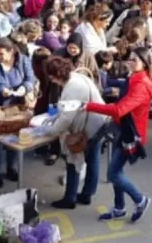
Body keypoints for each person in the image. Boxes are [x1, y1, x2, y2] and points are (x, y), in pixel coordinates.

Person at [84, 47, 152, 223]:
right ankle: (119, 208)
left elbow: (119, 109)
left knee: (113, 174)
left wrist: (88, 106)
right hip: (126, 129)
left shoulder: (141, 85)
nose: (131, 62)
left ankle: (140, 200)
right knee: (117, 170)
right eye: (130, 58)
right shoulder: (140, 77)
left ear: (144, 64)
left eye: (135, 60)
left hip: (130, 134)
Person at [44, 56, 109, 209]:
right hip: (100, 122)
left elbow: (67, 118)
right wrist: (55, 117)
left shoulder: (73, 87)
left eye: (52, 77)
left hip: (90, 127)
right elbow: (68, 109)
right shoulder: (77, 77)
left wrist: (51, 132)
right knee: (93, 160)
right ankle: (87, 195)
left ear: (58, 75)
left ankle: (70, 198)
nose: (52, 81)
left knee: (72, 160)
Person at [0, 38, 35, 188]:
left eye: (1, 54)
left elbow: (31, 79)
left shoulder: (23, 60)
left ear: (12, 51)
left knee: (14, 139)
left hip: (15, 108)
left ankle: (11, 168)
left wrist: (25, 88)